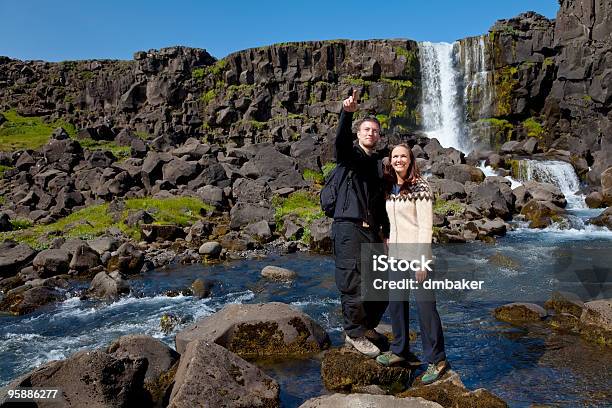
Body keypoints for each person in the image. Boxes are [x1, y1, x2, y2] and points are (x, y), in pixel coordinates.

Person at [375, 143, 449, 385]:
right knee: (396, 304)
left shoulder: (421, 186)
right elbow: (390, 219)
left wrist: (423, 262)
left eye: (403, 156)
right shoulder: (389, 186)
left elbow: (425, 227)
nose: (399, 160)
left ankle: (437, 361)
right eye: (395, 156)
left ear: (410, 160)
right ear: (390, 160)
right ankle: (400, 351)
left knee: (426, 309)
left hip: (418, 257)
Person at [332, 89, 390, 357]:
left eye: (375, 131)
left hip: (372, 231)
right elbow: (340, 143)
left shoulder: (378, 164)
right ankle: (353, 333)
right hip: (348, 227)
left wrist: (386, 233)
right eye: (366, 129)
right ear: (358, 134)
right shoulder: (350, 156)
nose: (371, 133)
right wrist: (347, 113)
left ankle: (367, 326)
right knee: (353, 282)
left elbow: (381, 204)